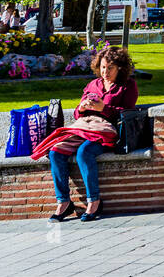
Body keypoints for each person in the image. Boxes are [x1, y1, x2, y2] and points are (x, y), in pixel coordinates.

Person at [44, 46, 138, 222]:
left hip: (106, 130)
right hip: (83, 127)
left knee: (84, 152)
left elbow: (128, 113)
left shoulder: (128, 86)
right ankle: (64, 202)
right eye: (103, 67)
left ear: (120, 68)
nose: (105, 72)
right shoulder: (92, 85)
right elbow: (77, 114)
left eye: (110, 68)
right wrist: (82, 107)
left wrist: (104, 108)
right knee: (55, 151)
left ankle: (94, 201)